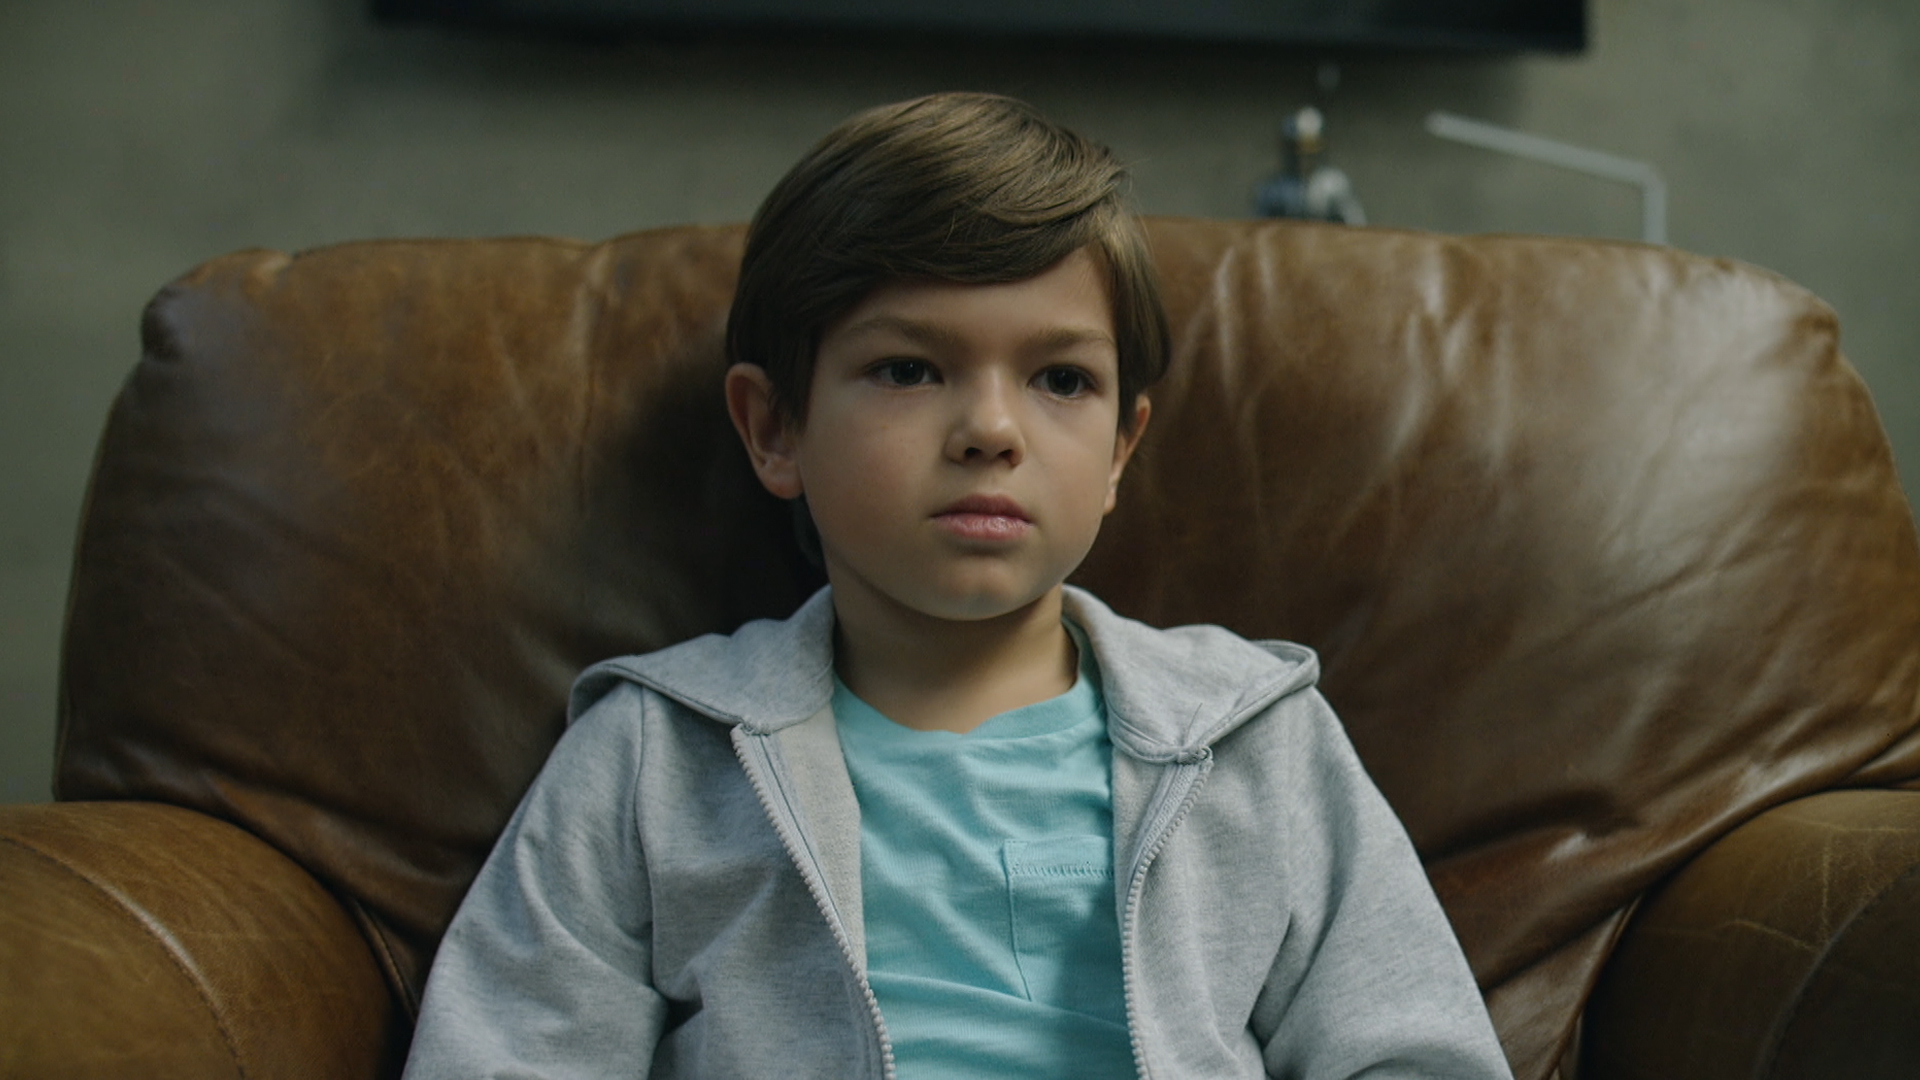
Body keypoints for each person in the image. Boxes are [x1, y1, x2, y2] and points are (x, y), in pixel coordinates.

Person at [403, 92, 1513, 1080]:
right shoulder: (655, 758)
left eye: (1060, 379)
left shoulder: (1254, 740)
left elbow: (1418, 1054)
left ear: (1121, 451)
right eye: (909, 369)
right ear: (775, 426)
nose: (990, 429)